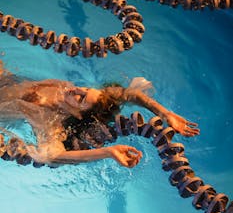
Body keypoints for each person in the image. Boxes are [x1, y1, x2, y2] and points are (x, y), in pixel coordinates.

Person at [0, 61, 199, 168]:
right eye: (83, 89)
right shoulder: (66, 88)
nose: (75, 91)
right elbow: (129, 94)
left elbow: (52, 155)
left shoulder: (46, 118)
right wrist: (165, 113)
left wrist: (108, 152)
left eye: (80, 99)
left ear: (79, 115)